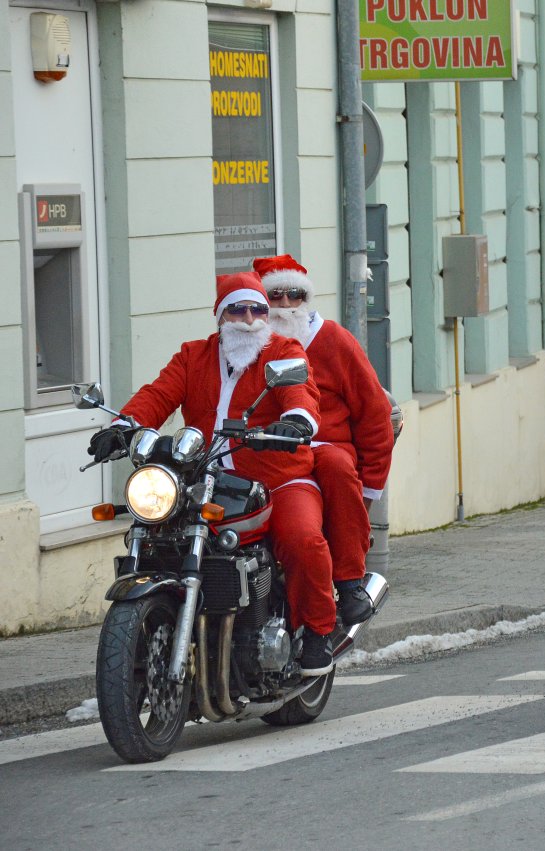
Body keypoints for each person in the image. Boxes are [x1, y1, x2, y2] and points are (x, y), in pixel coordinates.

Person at [86, 273, 338, 675]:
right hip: (202, 480)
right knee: (157, 535)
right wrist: (125, 425)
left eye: (257, 309)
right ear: (220, 315)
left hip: (279, 477)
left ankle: (319, 631)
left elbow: (300, 393)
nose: (249, 317)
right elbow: (159, 393)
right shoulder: (193, 356)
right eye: (237, 309)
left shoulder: (284, 351)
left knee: (303, 539)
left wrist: (296, 422)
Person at [255, 254, 395, 626]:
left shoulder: (334, 340)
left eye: (295, 295)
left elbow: (375, 415)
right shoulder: (246, 344)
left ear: (307, 298)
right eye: (275, 296)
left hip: (323, 447)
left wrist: (371, 487)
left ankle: (349, 582)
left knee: (335, 466)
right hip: (265, 450)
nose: (285, 305)